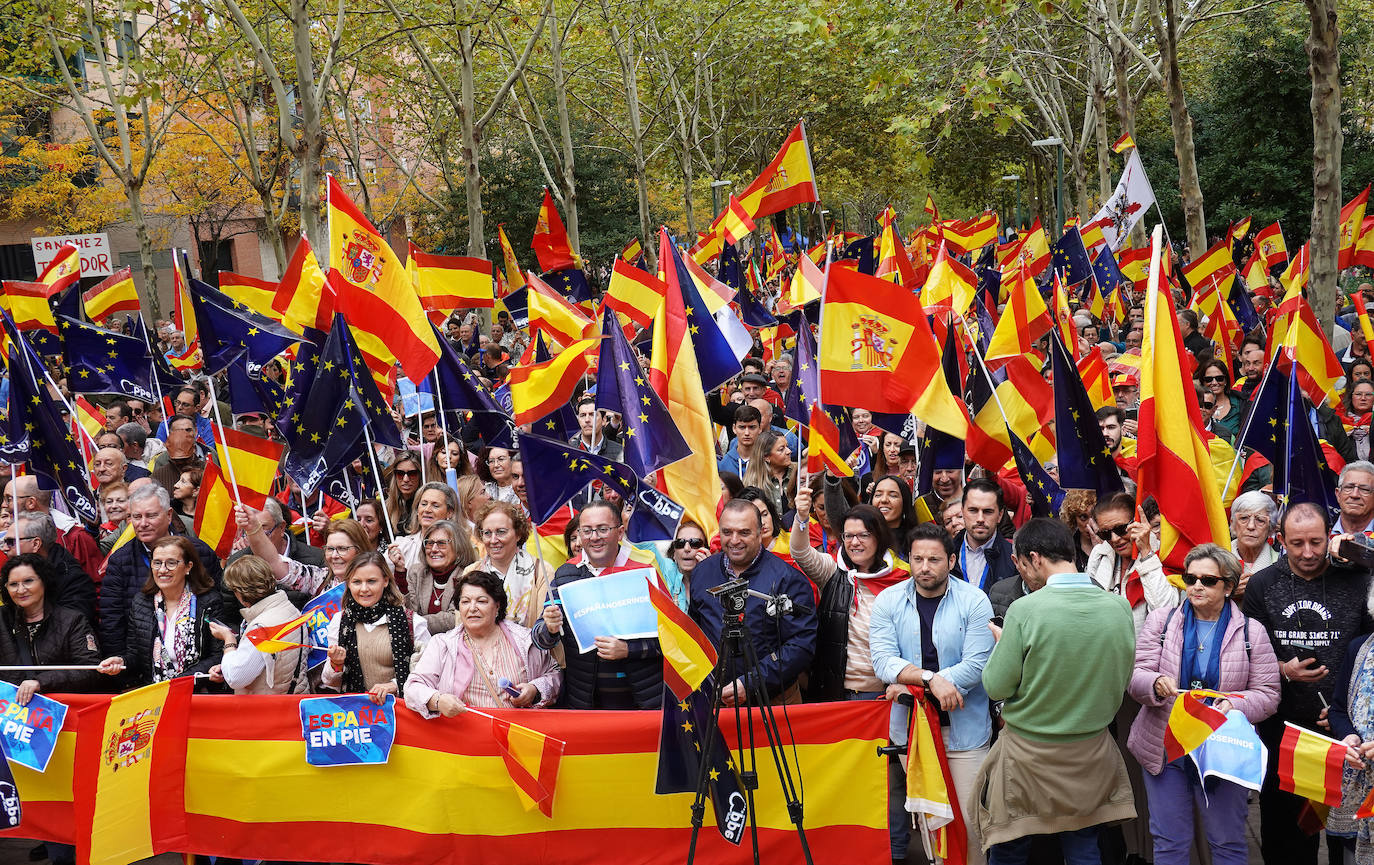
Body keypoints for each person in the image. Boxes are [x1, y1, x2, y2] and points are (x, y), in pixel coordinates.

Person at [973, 517, 1136, 863]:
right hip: (1091, 751)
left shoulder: (1025, 610)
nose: (1023, 573)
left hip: (1028, 756)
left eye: (1022, 563)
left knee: (1010, 845)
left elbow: (996, 685)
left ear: (1035, 558)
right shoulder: (1118, 605)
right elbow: (1121, 679)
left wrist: (1005, 647)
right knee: (1083, 846)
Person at [1127, 544, 1280, 865]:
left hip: (1223, 751)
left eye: (1208, 580)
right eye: (1190, 578)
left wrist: (1233, 703)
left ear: (1227, 586)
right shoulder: (1161, 622)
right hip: (1165, 747)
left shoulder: (1252, 631)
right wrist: (1154, 683)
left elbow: (1268, 695)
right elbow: (1135, 676)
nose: (1196, 586)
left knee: (1227, 842)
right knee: (1169, 842)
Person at [1243, 502, 1374, 865]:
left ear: (1330, 538)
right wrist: (1283, 670)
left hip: (1343, 728)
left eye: (1317, 542)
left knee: (1341, 827)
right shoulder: (1262, 583)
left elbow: (1368, 654)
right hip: (1282, 726)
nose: (1308, 553)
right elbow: (1249, 651)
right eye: (1297, 543)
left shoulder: (1356, 578)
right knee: (1285, 827)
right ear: (1280, 539)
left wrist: (1359, 551)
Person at [870, 523, 995, 865]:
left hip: (966, 734)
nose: (924, 567)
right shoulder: (888, 600)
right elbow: (883, 661)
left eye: (934, 560)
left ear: (952, 561)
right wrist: (930, 679)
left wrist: (910, 684)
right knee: (930, 827)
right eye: (917, 559)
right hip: (911, 733)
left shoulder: (974, 601)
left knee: (971, 827)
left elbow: (977, 666)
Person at [533, 501, 665, 709]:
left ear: (620, 532)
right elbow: (540, 640)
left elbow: (672, 641)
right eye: (586, 531)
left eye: (603, 529)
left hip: (645, 702)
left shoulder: (645, 575)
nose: (594, 537)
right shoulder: (565, 576)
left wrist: (628, 649)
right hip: (585, 703)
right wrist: (549, 628)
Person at [689, 499, 817, 705]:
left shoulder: (788, 579)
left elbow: (801, 645)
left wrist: (753, 682)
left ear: (760, 532)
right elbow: (693, 633)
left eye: (744, 532)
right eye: (727, 532)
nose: (734, 540)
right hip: (715, 700)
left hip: (773, 701)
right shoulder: (702, 572)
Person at [790, 487, 907, 701]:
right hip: (835, 691)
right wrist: (802, 517)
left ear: (879, 537)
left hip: (883, 693)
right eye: (848, 536)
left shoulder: (901, 579)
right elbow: (800, 552)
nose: (854, 542)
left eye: (863, 535)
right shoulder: (833, 572)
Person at [405, 570, 561, 716]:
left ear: (497, 606)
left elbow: (555, 675)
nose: (472, 608)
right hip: (464, 738)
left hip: (516, 738)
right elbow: (413, 687)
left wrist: (534, 690)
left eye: (481, 601)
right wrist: (437, 701)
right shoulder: (442, 644)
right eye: (465, 602)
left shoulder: (523, 640)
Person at [97, 536, 225, 689]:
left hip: (198, 694)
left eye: (171, 563)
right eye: (157, 563)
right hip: (154, 695)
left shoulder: (209, 602)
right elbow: (136, 655)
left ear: (188, 567)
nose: (163, 570)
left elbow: (217, 655)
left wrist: (178, 683)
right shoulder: (141, 602)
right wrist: (121, 662)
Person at [321, 552, 431, 705]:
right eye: (357, 582)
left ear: (385, 581)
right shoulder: (339, 622)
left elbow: (429, 673)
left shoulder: (411, 621)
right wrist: (336, 663)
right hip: (357, 715)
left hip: (401, 712)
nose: (364, 589)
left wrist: (393, 685)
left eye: (371, 581)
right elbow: (328, 681)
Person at [0, 554, 102, 701]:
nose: (21, 590)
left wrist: (41, 682)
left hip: (60, 710)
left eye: (28, 581)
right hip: (9, 713)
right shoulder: (2, 619)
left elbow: (90, 669)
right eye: (13, 584)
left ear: (44, 582)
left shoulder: (72, 620)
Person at [207, 555, 310, 694]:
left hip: (269, 711)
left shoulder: (261, 628)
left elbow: (234, 678)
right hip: (294, 704)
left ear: (241, 593)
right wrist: (225, 666)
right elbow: (269, 663)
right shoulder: (290, 610)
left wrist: (228, 640)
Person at [1085, 491, 1179, 630]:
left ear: (1138, 522)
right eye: (1105, 533)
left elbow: (1166, 614)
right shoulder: (1099, 554)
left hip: (1145, 649)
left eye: (1121, 529)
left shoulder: (1163, 553)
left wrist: (1146, 553)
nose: (1115, 539)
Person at [237, 505, 370, 596]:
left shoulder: (377, 580)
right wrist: (253, 528)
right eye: (330, 549)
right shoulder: (320, 580)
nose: (334, 555)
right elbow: (274, 562)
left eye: (342, 549)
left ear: (359, 550)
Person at [465, 501, 553, 628]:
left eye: (501, 532)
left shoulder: (541, 571)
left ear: (518, 534)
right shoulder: (471, 572)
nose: (493, 540)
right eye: (487, 533)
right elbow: (462, 628)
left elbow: (545, 626)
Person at [1, 512, 97, 622]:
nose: (4, 548)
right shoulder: (8, 572)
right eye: (13, 585)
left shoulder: (73, 580)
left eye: (10, 542)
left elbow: (72, 626)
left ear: (36, 544)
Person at [403, 519, 477, 636]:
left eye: (441, 543)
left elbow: (455, 619)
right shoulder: (416, 572)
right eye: (430, 543)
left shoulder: (468, 575)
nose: (434, 549)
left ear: (458, 548)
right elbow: (410, 611)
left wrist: (417, 622)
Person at [953, 479, 1016, 594]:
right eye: (973, 510)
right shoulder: (946, 553)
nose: (980, 519)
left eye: (988, 511)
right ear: (962, 512)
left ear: (1000, 515)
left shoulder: (1015, 559)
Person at [387, 481, 460, 572]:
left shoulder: (458, 546)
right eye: (424, 504)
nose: (427, 510)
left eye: (435, 505)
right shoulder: (401, 546)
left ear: (450, 512)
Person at [1230, 490, 1278, 597]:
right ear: (1232, 523)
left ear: (1271, 528)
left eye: (1260, 520)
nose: (1251, 526)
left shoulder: (1281, 563)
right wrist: (1226, 592)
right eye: (1243, 518)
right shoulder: (1216, 561)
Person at [150, 413, 211, 491]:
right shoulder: (161, 463)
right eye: (178, 431)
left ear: (195, 431)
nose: (184, 435)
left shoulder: (209, 453)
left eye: (188, 430)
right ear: (170, 433)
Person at [742, 429, 795, 519]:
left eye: (787, 446)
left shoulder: (799, 473)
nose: (789, 451)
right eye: (781, 449)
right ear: (766, 457)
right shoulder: (752, 483)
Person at [1197, 360, 1245, 444]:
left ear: (1226, 380)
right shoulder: (1193, 404)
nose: (1214, 383)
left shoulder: (1241, 403)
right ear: (1203, 382)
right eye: (1209, 379)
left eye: (1219, 378)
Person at [384, 450, 424, 536]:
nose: (406, 479)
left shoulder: (426, 507)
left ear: (420, 475)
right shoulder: (385, 507)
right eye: (400, 473)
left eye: (412, 474)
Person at [1334, 461, 1374, 535]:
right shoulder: (1321, 530)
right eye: (1349, 487)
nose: (1355, 495)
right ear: (1338, 494)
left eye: (1364, 489)